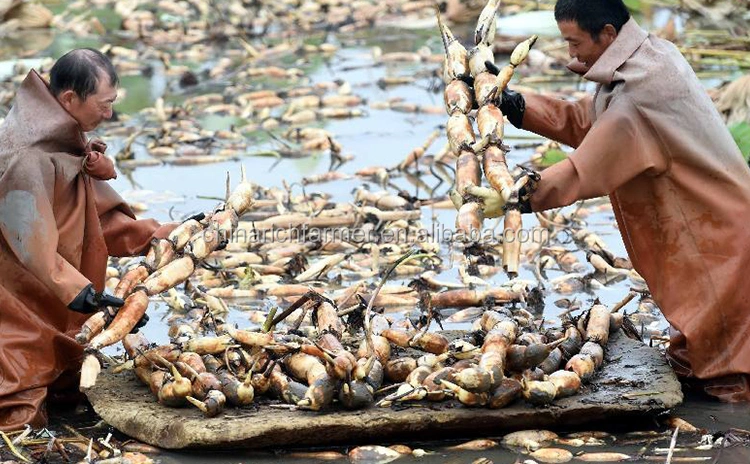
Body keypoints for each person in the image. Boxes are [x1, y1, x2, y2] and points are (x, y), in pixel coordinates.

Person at [473, 0, 750, 401]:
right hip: (713, 216)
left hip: (716, 229)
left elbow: (585, 169)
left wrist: (517, 197)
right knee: (704, 339)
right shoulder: (650, 57)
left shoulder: (640, 94)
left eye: (573, 41)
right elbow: (586, 119)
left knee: (729, 366)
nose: (570, 52)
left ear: (606, 33)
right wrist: (514, 103)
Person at [0, 48, 175, 430]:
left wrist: (163, 236)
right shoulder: (26, 155)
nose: (109, 114)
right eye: (105, 104)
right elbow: (29, 244)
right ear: (69, 99)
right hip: (17, 291)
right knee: (20, 400)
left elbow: (93, 219)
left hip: (53, 284)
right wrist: (88, 297)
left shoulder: (61, 139)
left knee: (71, 382)